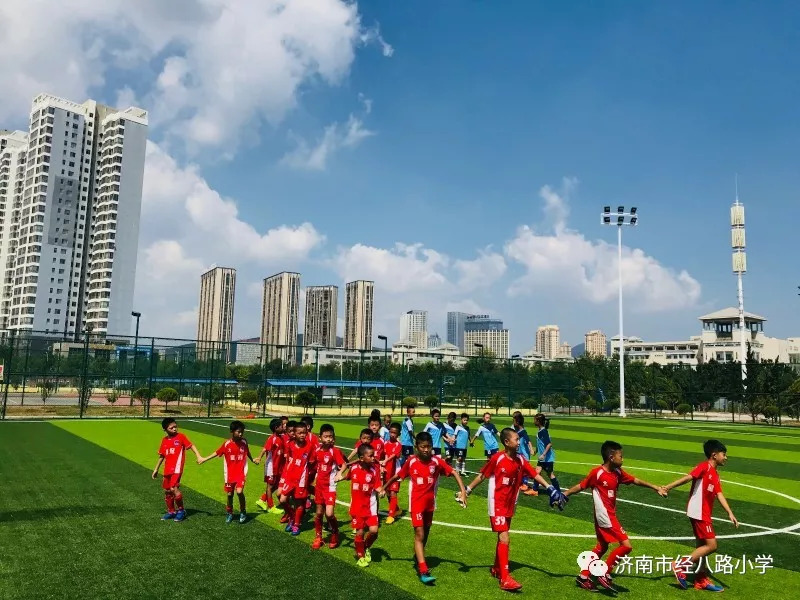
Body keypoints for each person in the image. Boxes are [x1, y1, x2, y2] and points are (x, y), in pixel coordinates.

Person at [463, 428, 567, 591]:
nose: (519, 442)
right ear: (506, 442)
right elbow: (482, 475)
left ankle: (497, 569)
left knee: (502, 538)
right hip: (496, 502)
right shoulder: (497, 458)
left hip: (511, 503)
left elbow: (534, 474)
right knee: (505, 538)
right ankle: (505, 578)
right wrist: (467, 491)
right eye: (516, 440)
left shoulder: (520, 459)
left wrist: (550, 488)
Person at [564, 440, 666, 592]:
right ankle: (604, 572)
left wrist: (655, 487)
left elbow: (635, 480)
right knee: (626, 546)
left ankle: (583, 577)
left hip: (605, 516)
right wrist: (566, 493)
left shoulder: (618, 473)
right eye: (621, 456)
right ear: (611, 457)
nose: (622, 459)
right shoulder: (597, 473)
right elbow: (582, 485)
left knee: (602, 546)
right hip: (605, 516)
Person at [380, 431, 468, 584]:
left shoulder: (436, 461)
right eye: (423, 447)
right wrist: (384, 487)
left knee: (425, 533)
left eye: (428, 446)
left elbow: (454, 472)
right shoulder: (412, 462)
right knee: (419, 534)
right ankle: (423, 570)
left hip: (430, 504)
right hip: (417, 505)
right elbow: (397, 475)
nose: (426, 450)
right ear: (417, 447)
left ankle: (418, 555)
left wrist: (463, 492)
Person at [663, 440, 739, 592]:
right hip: (698, 512)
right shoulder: (704, 467)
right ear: (714, 455)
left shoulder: (715, 474)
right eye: (724, 454)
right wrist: (668, 487)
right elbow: (688, 477)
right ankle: (681, 565)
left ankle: (700, 580)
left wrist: (729, 512)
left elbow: (719, 494)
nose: (726, 458)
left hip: (703, 513)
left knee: (701, 547)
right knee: (711, 546)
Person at [198, 420, 257, 524]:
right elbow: (216, 452)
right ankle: (229, 513)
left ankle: (243, 511)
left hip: (241, 472)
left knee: (239, 492)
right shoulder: (227, 444)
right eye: (238, 431)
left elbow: (247, 452)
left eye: (242, 431)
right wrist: (204, 459)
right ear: (232, 432)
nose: (241, 433)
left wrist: (253, 460)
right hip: (229, 474)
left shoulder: (244, 442)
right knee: (230, 494)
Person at [335, 444, 381, 568]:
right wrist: (340, 478)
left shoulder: (374, 470)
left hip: (370, 506)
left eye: (373, 455)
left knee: (374, 531)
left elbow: (377, 485)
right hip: (357, 507)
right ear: (361, 458)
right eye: (370, 456)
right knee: (359, 532)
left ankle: (365, 546)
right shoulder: (354, 468)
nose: (373, 458)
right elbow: (348, 477)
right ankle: (360, 556)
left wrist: (381, 490)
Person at [151, 417, 203, 522]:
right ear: (165, 430)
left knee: (173, 488)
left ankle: (181, 510)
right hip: (167, 469)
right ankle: (171, 511)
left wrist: (199, 456)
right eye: (171, 428)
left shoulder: (181, 437)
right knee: (167, 490)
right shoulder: (164, 440)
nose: (175, 429)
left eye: (175, 426)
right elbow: (162, 456)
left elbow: (191, 446)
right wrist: (156, 469)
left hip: (177, 468)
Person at [311, 424, 346, 550]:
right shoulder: (317, 450)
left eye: (331, 436)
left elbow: (343, 465)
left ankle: (335, 533)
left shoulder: (334, 451)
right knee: (319, 513)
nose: (329, 439)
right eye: (326, 436)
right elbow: (314, 465)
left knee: (329, 513)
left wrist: (339, 473)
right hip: (319, 486)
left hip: (330, 487)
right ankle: (318, 537)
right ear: (320, 438)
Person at [277, 421, 316, 535]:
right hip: (290, 477)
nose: (302, 435)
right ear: (294, 433)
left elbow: (312, 463)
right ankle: (292, 516)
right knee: (282, 499)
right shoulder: (290, 445)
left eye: (304, 433)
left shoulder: (310, 447)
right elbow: (288, 462)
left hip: (301, 479)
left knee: (298, 502)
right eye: (300, 433)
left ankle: (296, 525)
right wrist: (285, 476)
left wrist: (307, 477)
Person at [255, 418, 285, 514]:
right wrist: (259, 457)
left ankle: (262, 499)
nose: (283, 427)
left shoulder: (280, 437)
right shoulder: (272, 438)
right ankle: (271, 506)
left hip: (278, 467)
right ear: (276, 428)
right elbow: (265, 449)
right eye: (281, 425)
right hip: (271, 467)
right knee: (270, 486)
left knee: (277, 485)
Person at [381, 423, 403, 523]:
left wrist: (386, 461)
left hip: (396, 472)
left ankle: (391, 516)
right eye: (391, 432)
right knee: (388, 493)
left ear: (398, 434)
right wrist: (383, 466)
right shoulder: (385, 443)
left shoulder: (398, 445)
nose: (392, 434)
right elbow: (385, 455)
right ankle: (397, 509)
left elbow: (394, 455)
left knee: (393, 492)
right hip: (387, 471)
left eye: (395, 433)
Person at [531, 413, 557, 495]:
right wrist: (536, 451)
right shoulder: (541, 430)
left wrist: (543, 454)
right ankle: (534, 490)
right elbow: (540, 443)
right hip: (543, 458)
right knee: (537, 472)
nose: (534, 421)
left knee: (550, 474)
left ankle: (558, 491)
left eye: (535, 419)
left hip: (547, 458)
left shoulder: (543, 431)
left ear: (538, 421)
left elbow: (549, 444)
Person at [511, 413, 537, 496]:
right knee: (519, 469)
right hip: (520, 453)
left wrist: (531, 449)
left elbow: (528, 441)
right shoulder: (518, 430)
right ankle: (522, 483)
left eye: (514, 420)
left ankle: (525, 484)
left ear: (517, 422)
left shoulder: (523, 432)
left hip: (525, 455)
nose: (513, 422)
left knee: (525, 470)